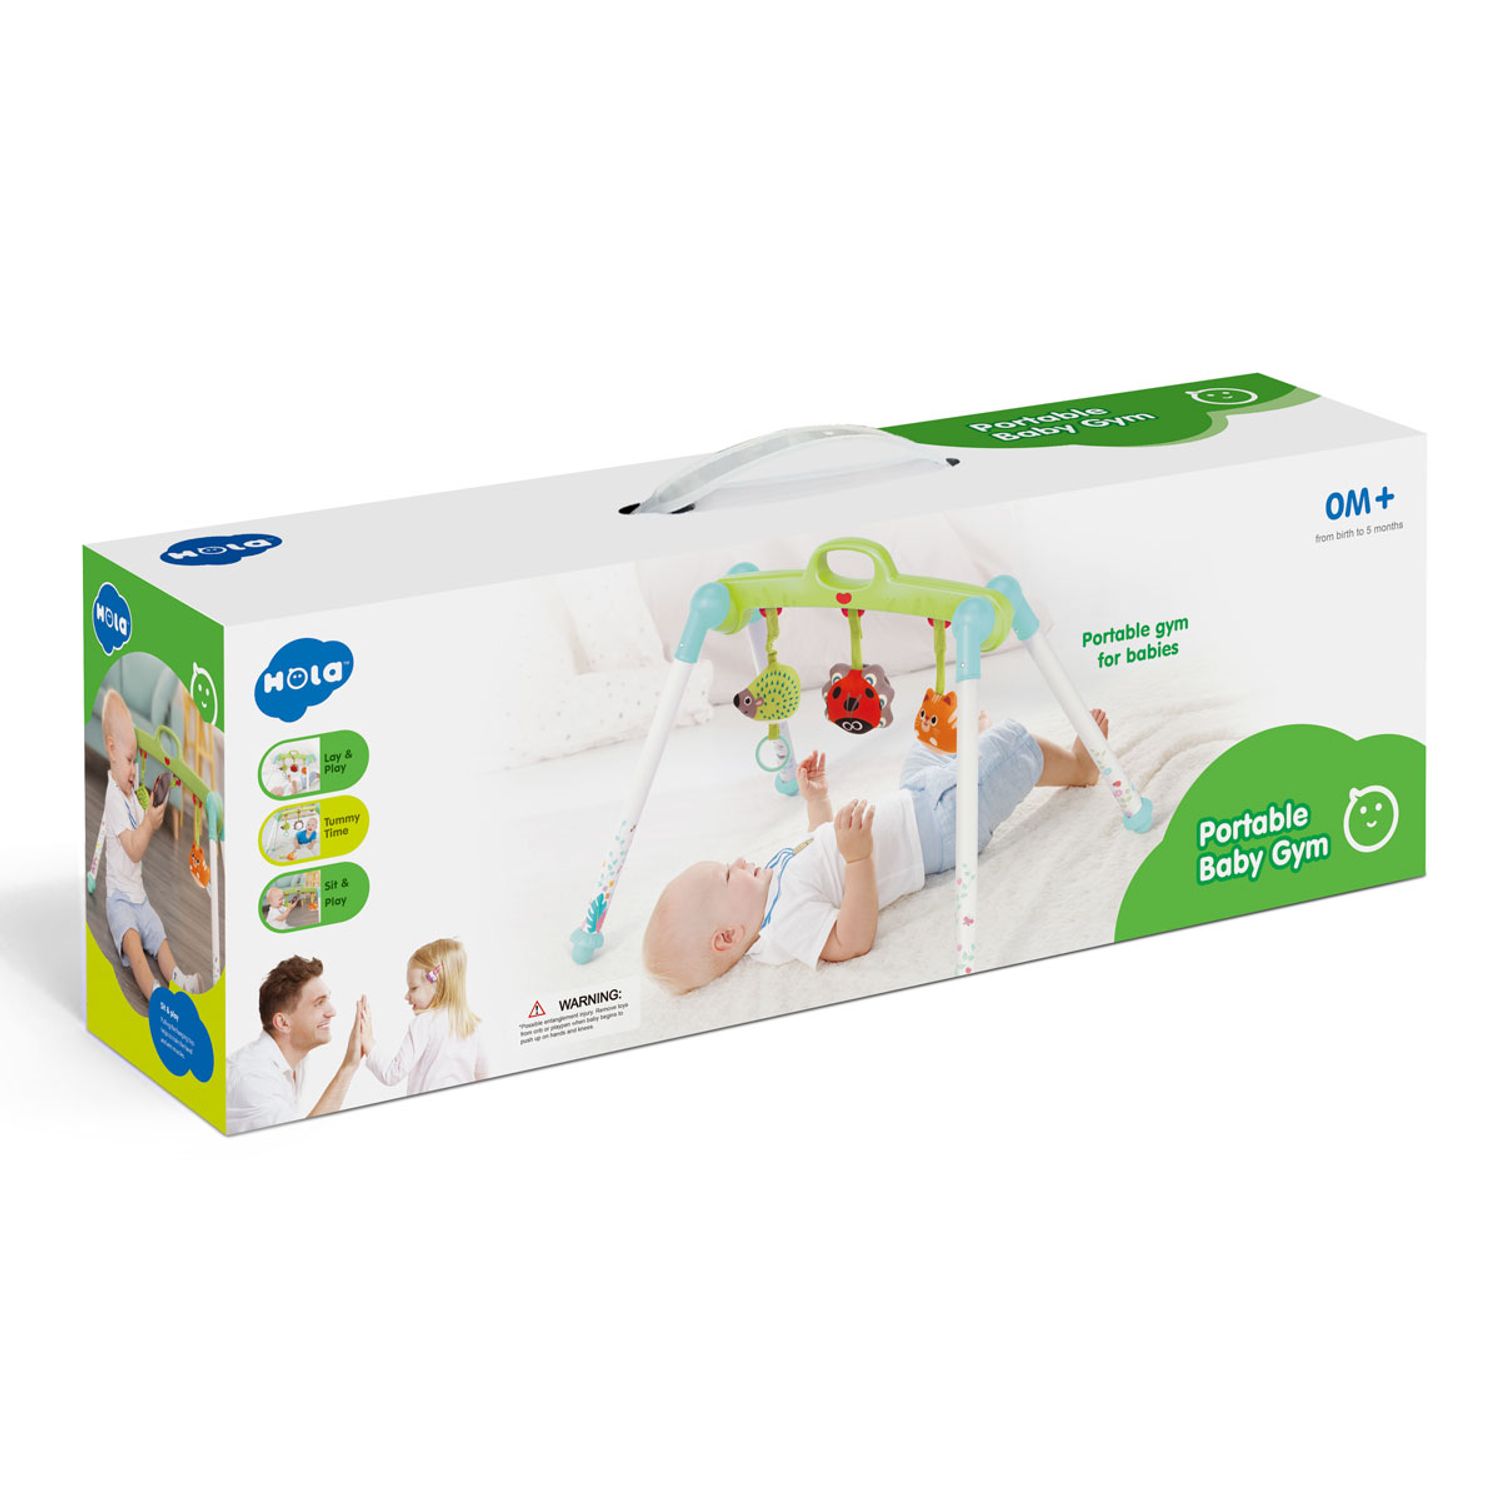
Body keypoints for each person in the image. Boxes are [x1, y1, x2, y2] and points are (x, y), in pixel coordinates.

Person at [642, 710, 1111, 992]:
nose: (741, 862)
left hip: (911, 798)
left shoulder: (773, 884)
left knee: (925, 749)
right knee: (1012, 745)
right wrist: (859, 857)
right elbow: (851, 939)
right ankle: (1078, 768)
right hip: (940, 829)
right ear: (727, 936)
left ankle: (970, 750)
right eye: (729, 874)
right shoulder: (782, 926)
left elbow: (820, 846)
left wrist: (817, 801)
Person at [99, 688, 203, 997]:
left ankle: (179, 979)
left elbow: (142, 828)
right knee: (134, 946)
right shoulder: (113, 799)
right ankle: (155, 993)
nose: (134, 770)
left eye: (135, 762)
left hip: (140, 897)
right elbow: (133, 849)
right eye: (130, 760)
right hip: (119, 901)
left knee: (159, 937)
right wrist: (148, 824)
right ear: (111, 749)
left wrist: (152, 814)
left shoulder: (130, 794)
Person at [226, 955, 369, 1132]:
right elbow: (299, 1139)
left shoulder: (292, 1060)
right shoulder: (254, 1080)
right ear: (283, 1023)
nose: (332, 1011)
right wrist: (349, 1066)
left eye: (327, 1000)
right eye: (319, 1003)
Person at [364, 938, 491, 1096]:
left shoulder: (423, 1024)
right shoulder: (471, 1025)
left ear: (438, 984)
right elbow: (484, 1076)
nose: (406, 996)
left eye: (413, 988)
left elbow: (392, 1074)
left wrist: (369, 1044)